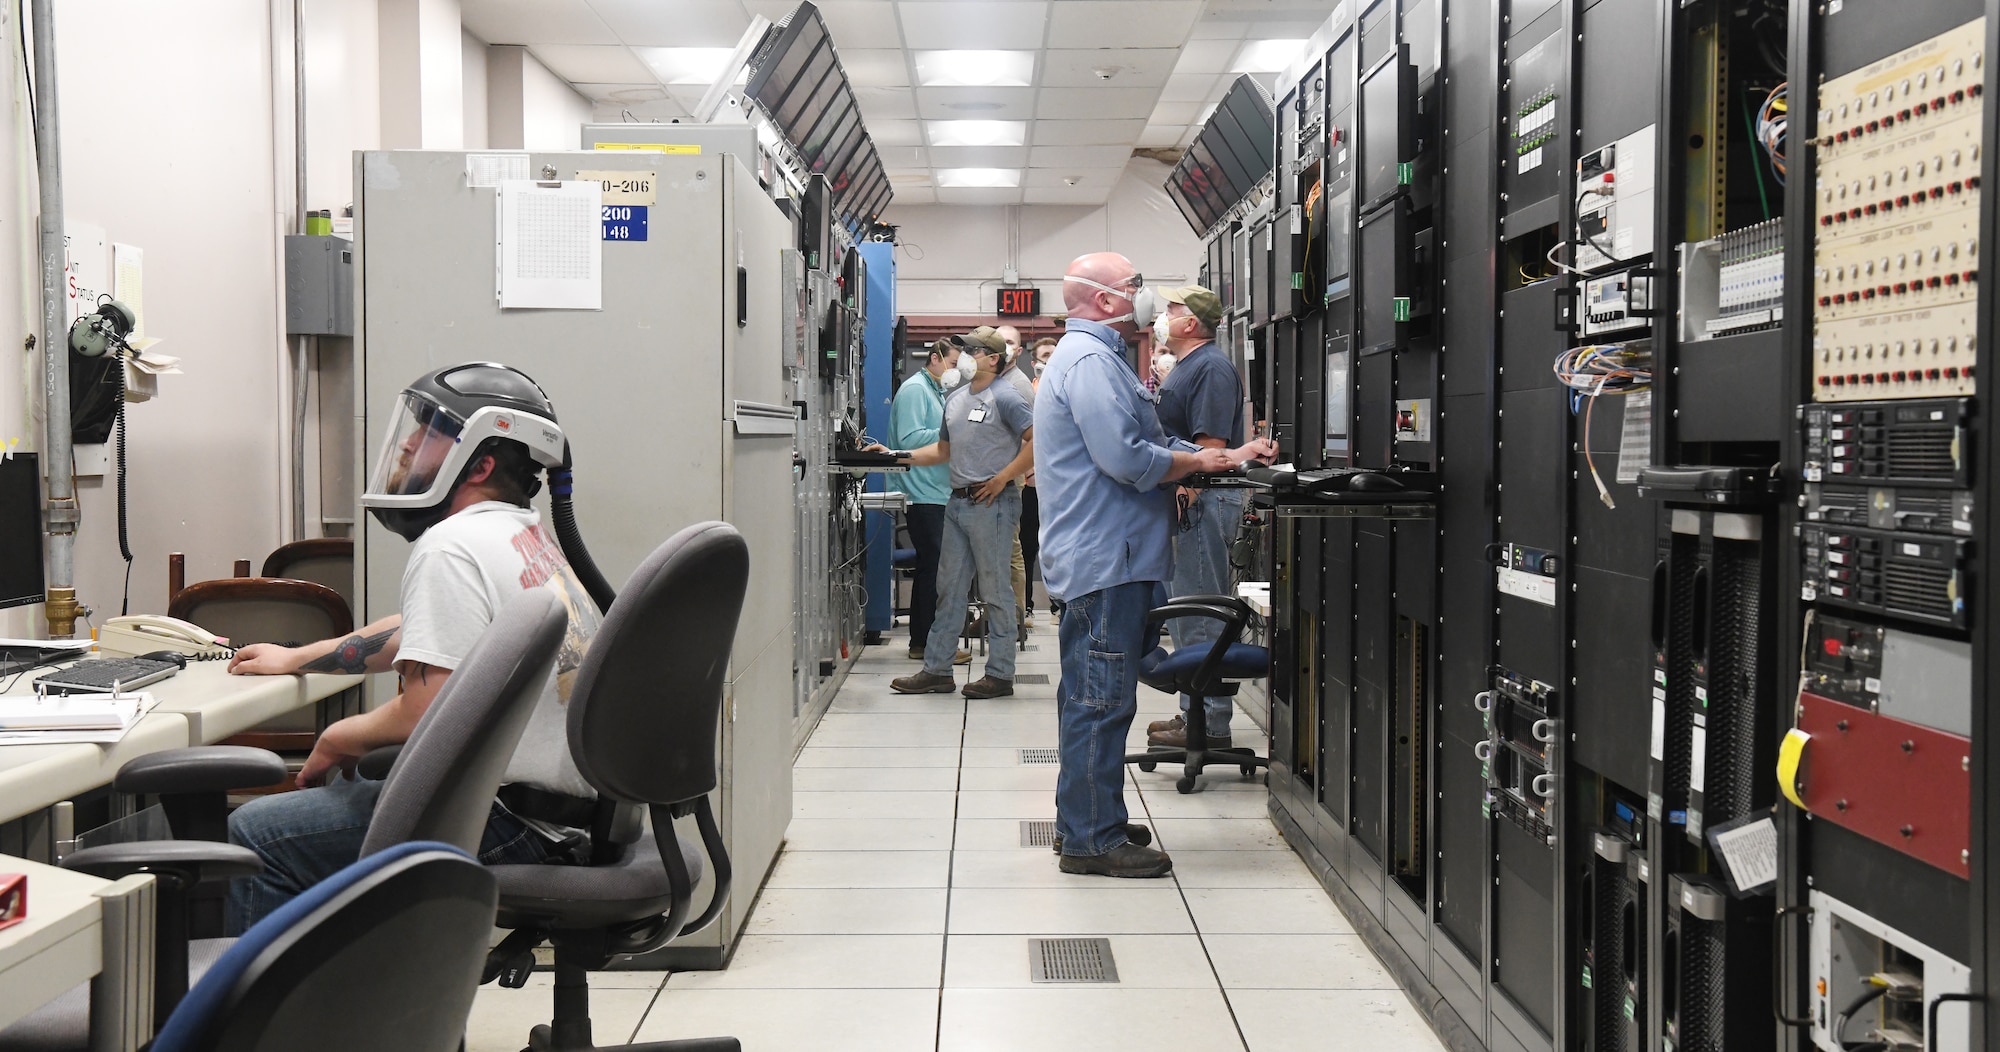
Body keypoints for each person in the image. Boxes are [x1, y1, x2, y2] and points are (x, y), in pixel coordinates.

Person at [222, 362, 603, 931]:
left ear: (480, 462)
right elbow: (431, 631)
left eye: (428, 430)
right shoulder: (520, 536)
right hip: (559, 818)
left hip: (501, 824)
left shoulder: (449, 546)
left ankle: (278, 1019)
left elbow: (427, 709)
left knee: (259, 834)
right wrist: (299, 658)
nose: (404, 444)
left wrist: (339, 733)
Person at [1036, 253, 1274, 877]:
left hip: (1117, 555)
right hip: (1105, 557)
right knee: (1100, 699)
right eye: (1136, 287)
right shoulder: (1090, 362)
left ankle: (1085, 818)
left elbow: (1153, 439)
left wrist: (1215, 457)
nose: (1146, 298)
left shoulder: (1104, 359)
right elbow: (1127, 459)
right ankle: (1092, 839)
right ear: (1108, 301)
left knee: (1095, 694)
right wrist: (1198, 464)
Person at [882, 327, 1035, 700]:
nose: (964, 356)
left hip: (992, 503)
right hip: (957, 503)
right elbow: (941, 451)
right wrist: (894, 457)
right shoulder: (955, 400)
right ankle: (937, 669)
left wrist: (1002, 479)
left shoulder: (1008, 397)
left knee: (996, 589)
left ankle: (999, 673)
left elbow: (1038, 441)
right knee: (948, 589)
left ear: (992, 358)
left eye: (972, 350)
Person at [1148, 285, 1250, 751]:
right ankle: (1195, 712)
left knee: (1202, 609)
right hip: (1191, 498)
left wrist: (1188, 489)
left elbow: (1210, 448)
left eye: (1171, 311)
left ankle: (1210, 723)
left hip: (1202, 500)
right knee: (1189, 610)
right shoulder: (1188, 368)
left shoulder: (1209, 368)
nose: (1162, 316)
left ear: (1191, 324)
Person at [888, 337, 975, 665]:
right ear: (935, 358)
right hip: (923, 494)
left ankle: (928, 641)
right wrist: (953, 426)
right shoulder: (915, 390)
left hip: (938, 493)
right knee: (933, 569)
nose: (955, 372)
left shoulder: (935, 392)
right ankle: (924, 643)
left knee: (937, 569)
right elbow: (910, 440)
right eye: (952, 364)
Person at [987, 325, 1037, 643]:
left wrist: (1012, 473)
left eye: (1010, 343)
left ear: (1018, 351)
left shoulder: (1018, 385)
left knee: (1011, 550)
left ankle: (1014, 619)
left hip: (1009, 476)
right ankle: (1003, 618)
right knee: (1001, 550)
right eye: (999, 341)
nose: (1004, 347)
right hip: (997, 475)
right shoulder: (998, 381)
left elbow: (1029, 438)